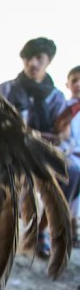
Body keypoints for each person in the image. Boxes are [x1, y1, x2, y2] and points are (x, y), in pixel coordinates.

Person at [0, 37, 79, 258]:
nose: (32, 63)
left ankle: (42, 230)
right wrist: (29, 135)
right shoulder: (6, 89)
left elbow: (64, 136)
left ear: (48, 61)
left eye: (38, 58)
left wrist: (48, 140)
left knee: (72, 171)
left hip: (45, 153)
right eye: (28, 58)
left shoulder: (56, 97)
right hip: (12, 152)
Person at [57, 65, 80, 247]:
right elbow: (60, 134)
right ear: (67, 84)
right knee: (74, 173)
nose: (79, 84)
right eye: (75, 80)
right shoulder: (64, 107)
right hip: (68, 155)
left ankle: (75, 225)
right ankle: (67, 225)